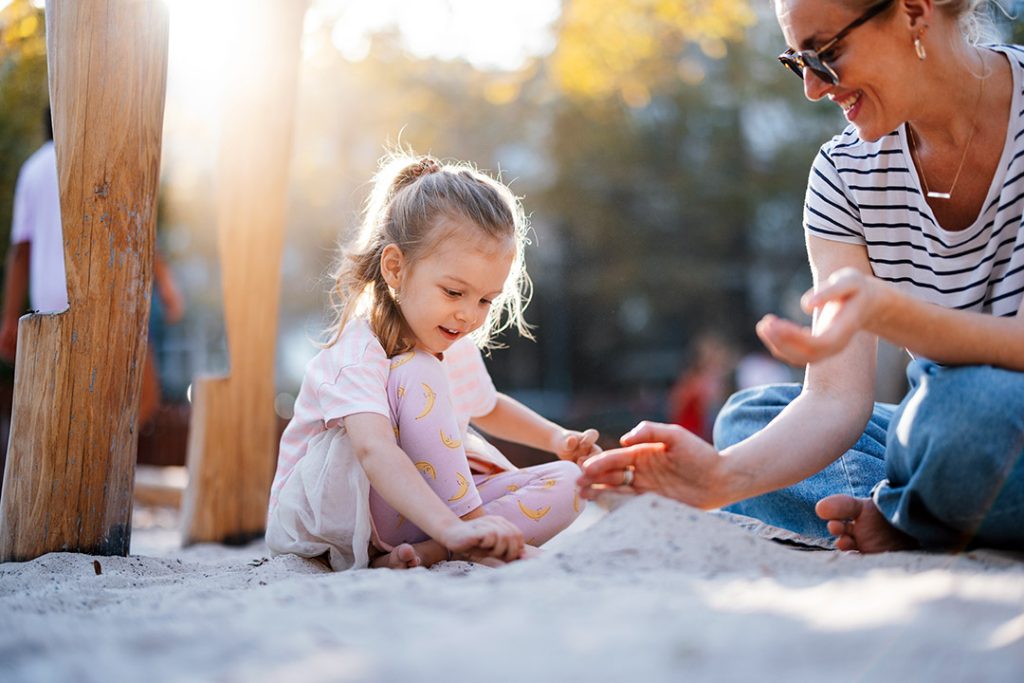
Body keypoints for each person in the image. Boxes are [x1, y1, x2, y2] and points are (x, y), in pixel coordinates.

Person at [579, 0, 1024, 554]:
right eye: (799, 61)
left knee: (963, 416)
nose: (814, 88)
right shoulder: (843, 173)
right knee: (750, 419)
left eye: (828, 54)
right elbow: (835, 399)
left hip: (973, 420)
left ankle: (909, 511)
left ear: (913, 12)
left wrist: (891, 314)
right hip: (936, 431)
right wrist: (720, 478)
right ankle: (910, 508)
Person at [266, 152, 599, 571]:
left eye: (485, 300)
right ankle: (466, 533)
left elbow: (488, 407)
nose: (469, 315)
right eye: (454, 292)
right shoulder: (357, 354)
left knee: (572, 483)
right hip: (342, 515)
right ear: (395, 268)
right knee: (418, 369)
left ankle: (441, 548)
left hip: (423, 510)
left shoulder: (453, 341)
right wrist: (457, 522)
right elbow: (374, 450)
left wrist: (556, 440)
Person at [1, 107, 184, 426]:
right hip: (106, 302)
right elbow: (137, 225)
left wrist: (9, 320)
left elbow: (20, 251)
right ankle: (105, 465)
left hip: (48, 310)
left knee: (64, 409)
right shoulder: (100, 157)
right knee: (141, 399)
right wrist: (167, 285)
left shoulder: (32, 170)